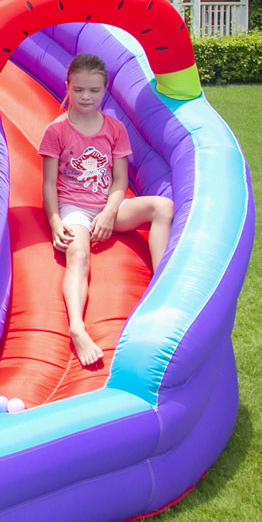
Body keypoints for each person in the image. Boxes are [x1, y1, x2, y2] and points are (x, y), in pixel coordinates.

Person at [39, 52, 173, 368]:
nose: (86, 97)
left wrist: (110, 212)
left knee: (163, 206)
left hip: (108, 206)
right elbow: (48, 184)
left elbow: (120, 180)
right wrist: (55, 221)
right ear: (67, 86)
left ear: (105, 90)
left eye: (94, 90)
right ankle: (77, 327)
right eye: (78, 89)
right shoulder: (57, 131)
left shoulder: (114, 128)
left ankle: (163, 284)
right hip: (75, 208)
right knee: (78, 255)